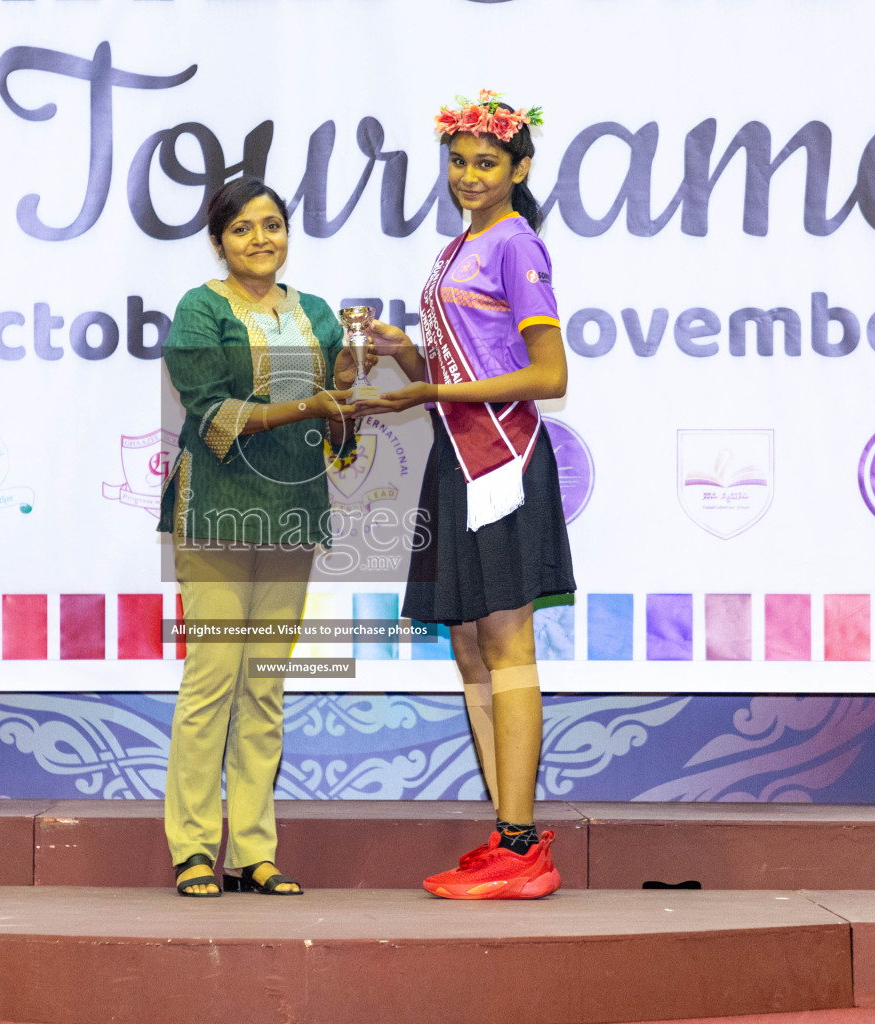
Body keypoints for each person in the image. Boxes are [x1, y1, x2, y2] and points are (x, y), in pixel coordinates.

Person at [359, 92, 574, 900]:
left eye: (487, 163)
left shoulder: (517, 245)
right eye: (459, 162)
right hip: (458, 454)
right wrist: (409, 360)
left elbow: (549, 376)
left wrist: (427, 395)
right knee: (469, 647)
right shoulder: (461, 246)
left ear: (520, 169)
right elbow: (455, 375)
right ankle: (506, 834)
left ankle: (522, 846)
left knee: (508, 644)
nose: (470, 176)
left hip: (504, 460)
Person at [158, 177, 364, 897]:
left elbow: (340, 419)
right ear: (219, 240)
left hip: (291, 513)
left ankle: (252, 851)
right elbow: (211, 409)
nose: (259, 239)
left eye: (271, 225)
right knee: (213, 678)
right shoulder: (199, 310)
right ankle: (191, 848)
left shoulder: (314, 313)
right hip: (216, 509)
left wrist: (358, 379)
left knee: (267, 686)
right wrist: (310, 402)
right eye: (242, 228)